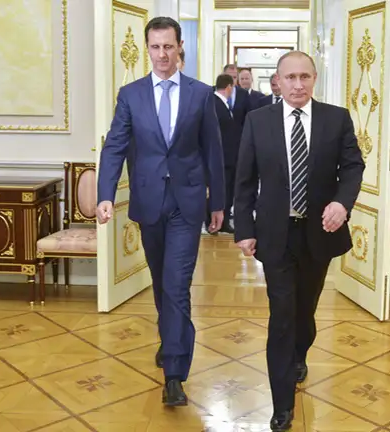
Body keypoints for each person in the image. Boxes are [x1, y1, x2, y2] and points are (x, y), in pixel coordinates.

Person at [96, 16, 225, 407]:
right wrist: (105, 194)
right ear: (147, 48)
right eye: (155, 47)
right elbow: (115, 146)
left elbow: (213, 151)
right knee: (161, 283)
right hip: (149, 201)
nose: (162, 54)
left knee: (176, 285)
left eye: (169, 46)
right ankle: (170, 337)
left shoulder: (201, 94)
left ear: (180, 46)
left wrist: (218, 202)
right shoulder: (131, 95)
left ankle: (174, 373)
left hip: (187, 204)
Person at [232, 51, 364, 431]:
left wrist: (342, 202)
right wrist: (245, 229)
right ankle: (282, 405)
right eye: (290, 77)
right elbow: (245, 179)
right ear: (278, 81)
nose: (297, 84)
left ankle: (300, 353)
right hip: (276, 234)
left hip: (318, 232)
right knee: (282, 316)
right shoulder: (258, 121)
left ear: (314, 79)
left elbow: (352, 167)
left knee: (305, 312)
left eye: (304, 76)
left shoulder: (336, 119)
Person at [208, 74, 241, 234]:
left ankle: (219, 221)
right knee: (224, 190)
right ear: (229, 87)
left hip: (226, 157)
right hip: (224, 158)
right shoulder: (216, 104)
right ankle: (220, 222)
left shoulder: (217, 103)